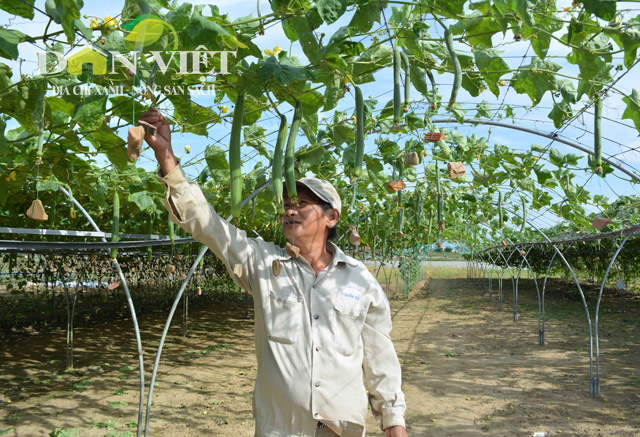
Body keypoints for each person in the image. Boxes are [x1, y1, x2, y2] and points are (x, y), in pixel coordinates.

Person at [140, 107, 408, 437]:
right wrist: (167, 156)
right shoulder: (265, 263)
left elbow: (379, 356)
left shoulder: (359, 278)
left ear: (332, 217)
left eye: (301, 204)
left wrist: (394, 423)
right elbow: (206, 224)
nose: (290, 211)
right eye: (286, 205)